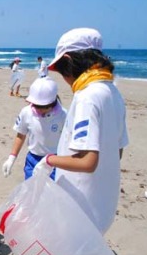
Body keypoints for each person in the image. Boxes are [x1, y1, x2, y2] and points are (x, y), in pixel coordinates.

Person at [33, 28, 129, 235]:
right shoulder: (113, 93)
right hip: (102, 203)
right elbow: (116, 151)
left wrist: (49, 160)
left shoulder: (87, 96)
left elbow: (87, 161)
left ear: (68, 61)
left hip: (79, 205)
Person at [2, 77, 66, 180]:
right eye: (36, 106)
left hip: (55, 160)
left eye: (43, 107)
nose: (39, 110)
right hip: (33, 159)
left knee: (52, 193)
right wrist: (11, 158)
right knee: (32, 192)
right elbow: (20, 135)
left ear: (52, 103)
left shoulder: (63, 115)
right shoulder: (26, 112)